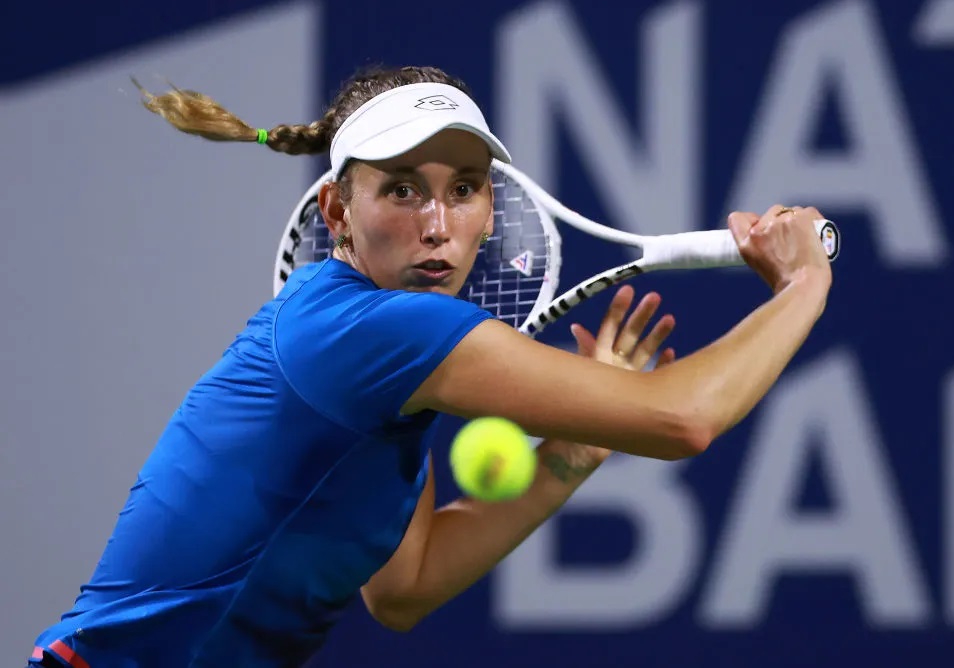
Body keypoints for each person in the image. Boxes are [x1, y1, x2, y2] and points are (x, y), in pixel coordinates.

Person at [28, 65, 832, 668]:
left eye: (465, 189)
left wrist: (569, 460)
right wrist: (802, 284)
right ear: (338, 211)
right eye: (404, 191)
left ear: (492, 210)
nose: (439, 225)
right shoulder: (371, 332)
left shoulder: (380, 371)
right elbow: (682, 418)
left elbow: (405, 585)